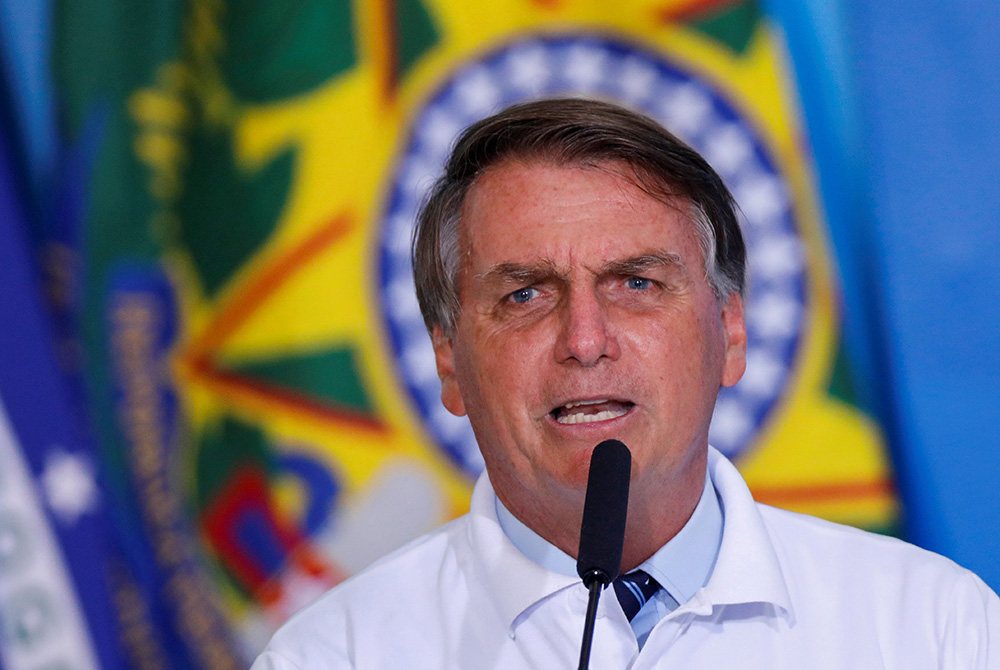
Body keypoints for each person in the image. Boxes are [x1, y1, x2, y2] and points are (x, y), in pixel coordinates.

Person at [251, 98, 1000, 669]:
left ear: (730, 334)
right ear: (449, 361)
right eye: (524, 295)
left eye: (636, 283)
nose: (584, 342)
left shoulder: (931, 628)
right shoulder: (335, 655)